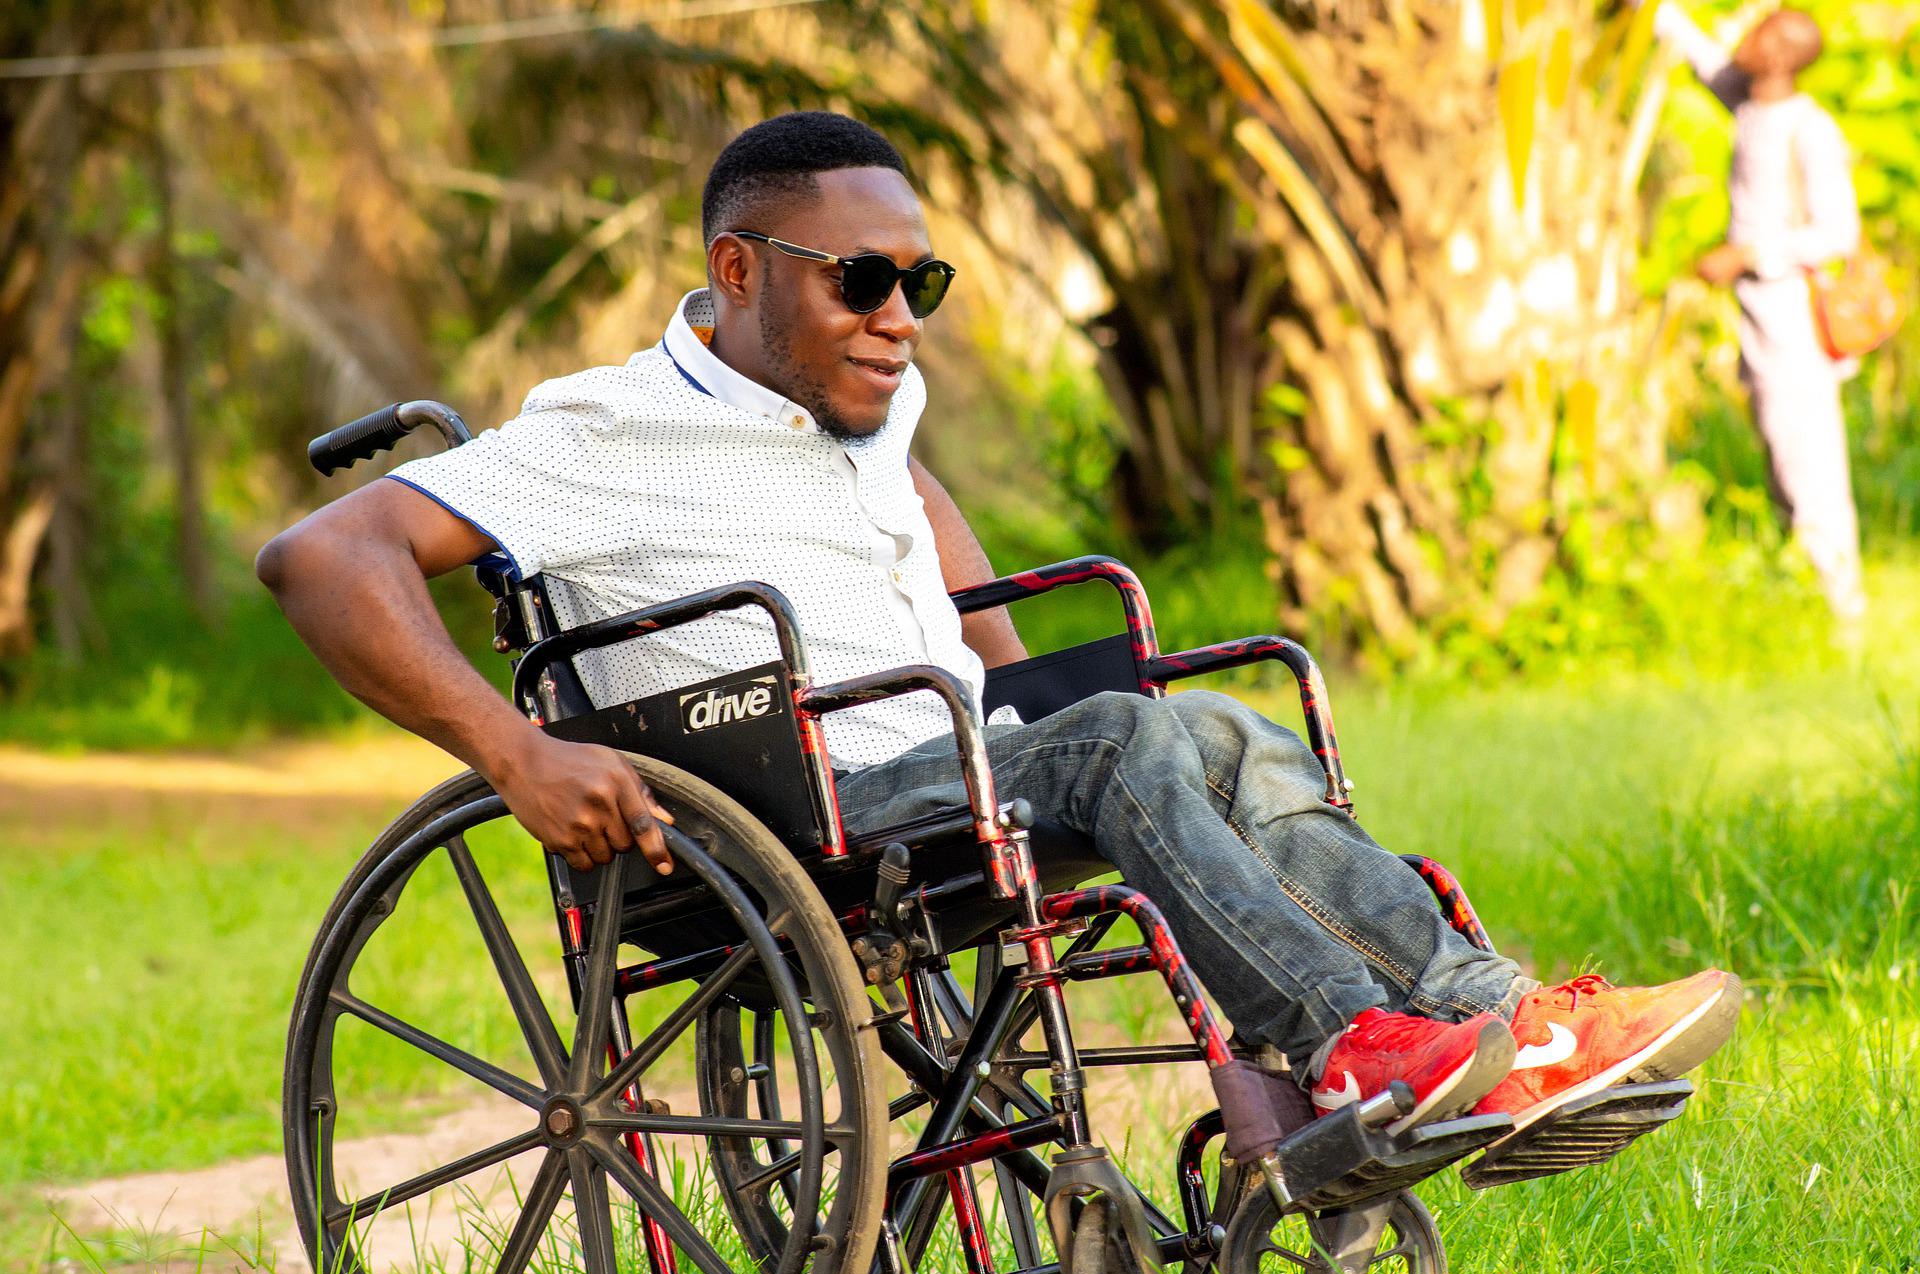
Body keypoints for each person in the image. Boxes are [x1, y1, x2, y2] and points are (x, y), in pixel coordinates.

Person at [257, 111, 1739, 1142]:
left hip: (947, 759)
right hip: (787, 804)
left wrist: (1033, 716)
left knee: (1216, 721)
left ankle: (1502, 1023)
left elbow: (918, 494)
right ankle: (1355, 1047)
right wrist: (515, 753)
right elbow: (324, 556)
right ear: (737, 272)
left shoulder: (859, 390)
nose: (901, 314)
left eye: (923, 281)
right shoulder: (595, 432)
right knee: (1120, 740)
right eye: (862, 281)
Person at [1649, 1, 1867, 621]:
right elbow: (1698, 53)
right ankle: (1802, 601)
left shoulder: (1809, 129)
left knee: (1811, 466)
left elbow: (1837, 234)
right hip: (1758, 320)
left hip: (1795, 321)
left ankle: (1842, 617)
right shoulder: (1749, 106)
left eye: (1759, 31)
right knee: (1780, 459)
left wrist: (1747, 255)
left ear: (1778, 55)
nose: (1743, 37)